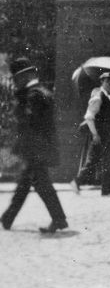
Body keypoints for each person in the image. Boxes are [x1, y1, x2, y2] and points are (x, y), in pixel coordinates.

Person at [2, 57, 69, 234]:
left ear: (24, 77)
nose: (15, 83)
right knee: (25, 184)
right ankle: (7, 218)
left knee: (42, 186)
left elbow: (30, 123)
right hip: (38, 149)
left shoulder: (33, 95)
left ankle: (59, 219)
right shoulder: (40, 92)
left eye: (16, 78)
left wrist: (25, 147)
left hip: (35, 150)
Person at [75, 69, 110, 195]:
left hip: (109, 134)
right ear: (102, 82)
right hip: (100, 135)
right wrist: (95, 134)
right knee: (92, 162)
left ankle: (108, 189)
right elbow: (89, 116)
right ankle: (76, 182)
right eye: (108, 81)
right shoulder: (98, 96)